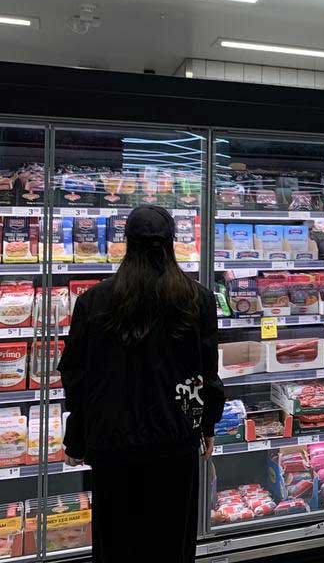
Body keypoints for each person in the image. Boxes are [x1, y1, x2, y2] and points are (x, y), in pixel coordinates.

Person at [59, 205, 225, 562]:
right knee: (171, 541)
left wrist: (77, 435)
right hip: (174, 439)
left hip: (111, 442)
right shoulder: (198, 299)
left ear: (127, 243)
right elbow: (205, 373)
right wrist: (205, 425)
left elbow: (76, 374)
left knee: (116, 541)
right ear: (171, 244)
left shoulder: (94, 300)